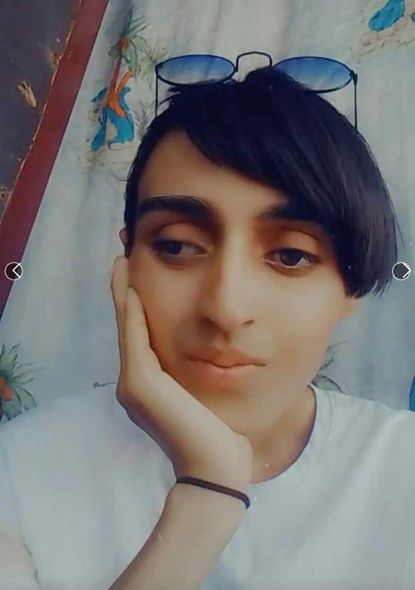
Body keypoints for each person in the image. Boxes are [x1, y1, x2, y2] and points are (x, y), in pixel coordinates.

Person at [0, 64, 412, 590]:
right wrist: (207, 493)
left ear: (351, 289)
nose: (225, 308)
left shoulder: (402, 468)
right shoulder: (18, 473)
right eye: (176, 245)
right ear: (126, 264)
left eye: (291, 255)